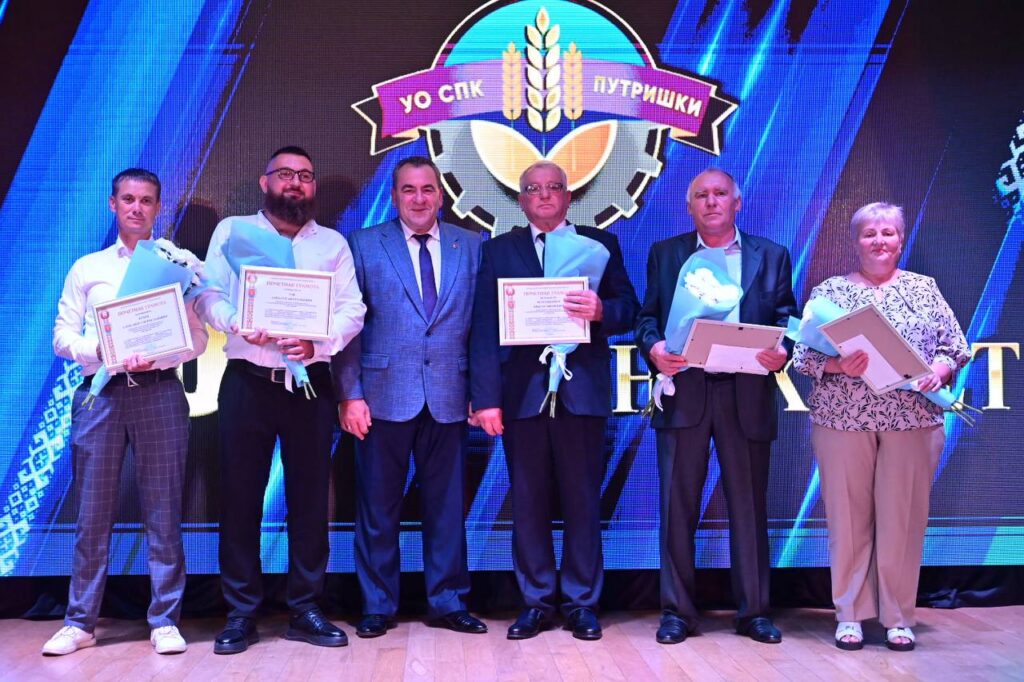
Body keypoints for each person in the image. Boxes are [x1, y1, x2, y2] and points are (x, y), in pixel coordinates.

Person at [197, 146, 365, 654]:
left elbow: (353, 309)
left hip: (309, 386)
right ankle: (241, 612)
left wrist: (317, 343)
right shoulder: (233, 231)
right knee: (240, 499)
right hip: (248, 381)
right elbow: (207, 295)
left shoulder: (332, 243)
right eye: (285, 174)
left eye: (305, 176)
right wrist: (235, 322)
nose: (295, 183)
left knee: (311, 501)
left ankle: (305, 608)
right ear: (264, 181)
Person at [470, 161, 639, 641]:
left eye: (553, 187)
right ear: (520, 200)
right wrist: (485, 399)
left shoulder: (600, 245)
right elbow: (483, 329)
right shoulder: (498, 250)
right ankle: (537, 602)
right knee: (528, 502)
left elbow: (630, 307)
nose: (544, 195)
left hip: (581, 393)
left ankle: (582, 603)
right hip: (520, 395)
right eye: (533, 188)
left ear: (569, 196)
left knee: (583, 500)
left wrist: (603, 310)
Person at [792, 202, 968, 652]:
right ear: (855, 241)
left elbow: (954, 346)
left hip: (912, 420)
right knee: (848, 519)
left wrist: (940, 370)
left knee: (902, 520)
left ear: (901, 239)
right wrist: (838, 365)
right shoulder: (830, 291)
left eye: (887, 233)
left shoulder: (923, 288)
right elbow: (802, 356)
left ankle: (897, 617)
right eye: (869, 233)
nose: (879, 241)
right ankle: (850, 614)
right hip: (843, 420)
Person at [47, 168, 208, 656]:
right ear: (113, 204)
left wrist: (157, 355)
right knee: (92, 514)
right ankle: (80, 622)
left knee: (164, 511)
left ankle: (165, 619)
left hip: (159, 392)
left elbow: (198, 340)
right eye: (128, 199)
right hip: (100, 396)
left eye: (146, 201)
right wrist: (101, 350)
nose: (137, 208)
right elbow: (62, 336)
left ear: (159, 207)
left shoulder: (176, 266)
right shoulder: (87, 268)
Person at [635, 168, 798, 645]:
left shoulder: (772, 255)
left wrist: (784, 349)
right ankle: (677, 613)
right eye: (701, 195)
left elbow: (787, 317)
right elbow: (647, 318)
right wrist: (654, 348)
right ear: (689, 206)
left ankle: (754, 613)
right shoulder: (667, 254)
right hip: (684, 391)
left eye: (720, 193)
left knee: (748, 508)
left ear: (737, 202)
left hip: (746, 393)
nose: (711, 202)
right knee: (677, 508)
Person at [332, 156, 486, 637]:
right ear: (395, 195)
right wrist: (349, 394)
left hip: (450, 395)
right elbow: (348, 327)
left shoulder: (472, 245)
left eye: (427, 189)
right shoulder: (363, 244)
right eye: (408, 190)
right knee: (378, 510)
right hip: (380, 396)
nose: (418, 199)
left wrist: (481, 393)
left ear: (441, 196)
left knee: (447, 509)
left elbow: (482, 328)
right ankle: (378, 605)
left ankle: (448, 601)